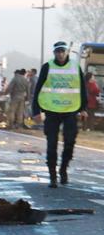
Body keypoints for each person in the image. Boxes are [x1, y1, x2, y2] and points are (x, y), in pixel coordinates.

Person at [32, 41, 88, 188]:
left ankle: (63, 169)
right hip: (51, 110)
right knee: (52, 144)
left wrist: (83, 108)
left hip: (70, 110)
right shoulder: (47, 67)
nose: (60, 54)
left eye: (63, 51)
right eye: (58, 52)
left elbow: (82, 88)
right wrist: (36, 111)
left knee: (69, 142)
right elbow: (37, 90)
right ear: (54, 53)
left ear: (66, 52)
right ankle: (52, 176)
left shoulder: (75, 67)